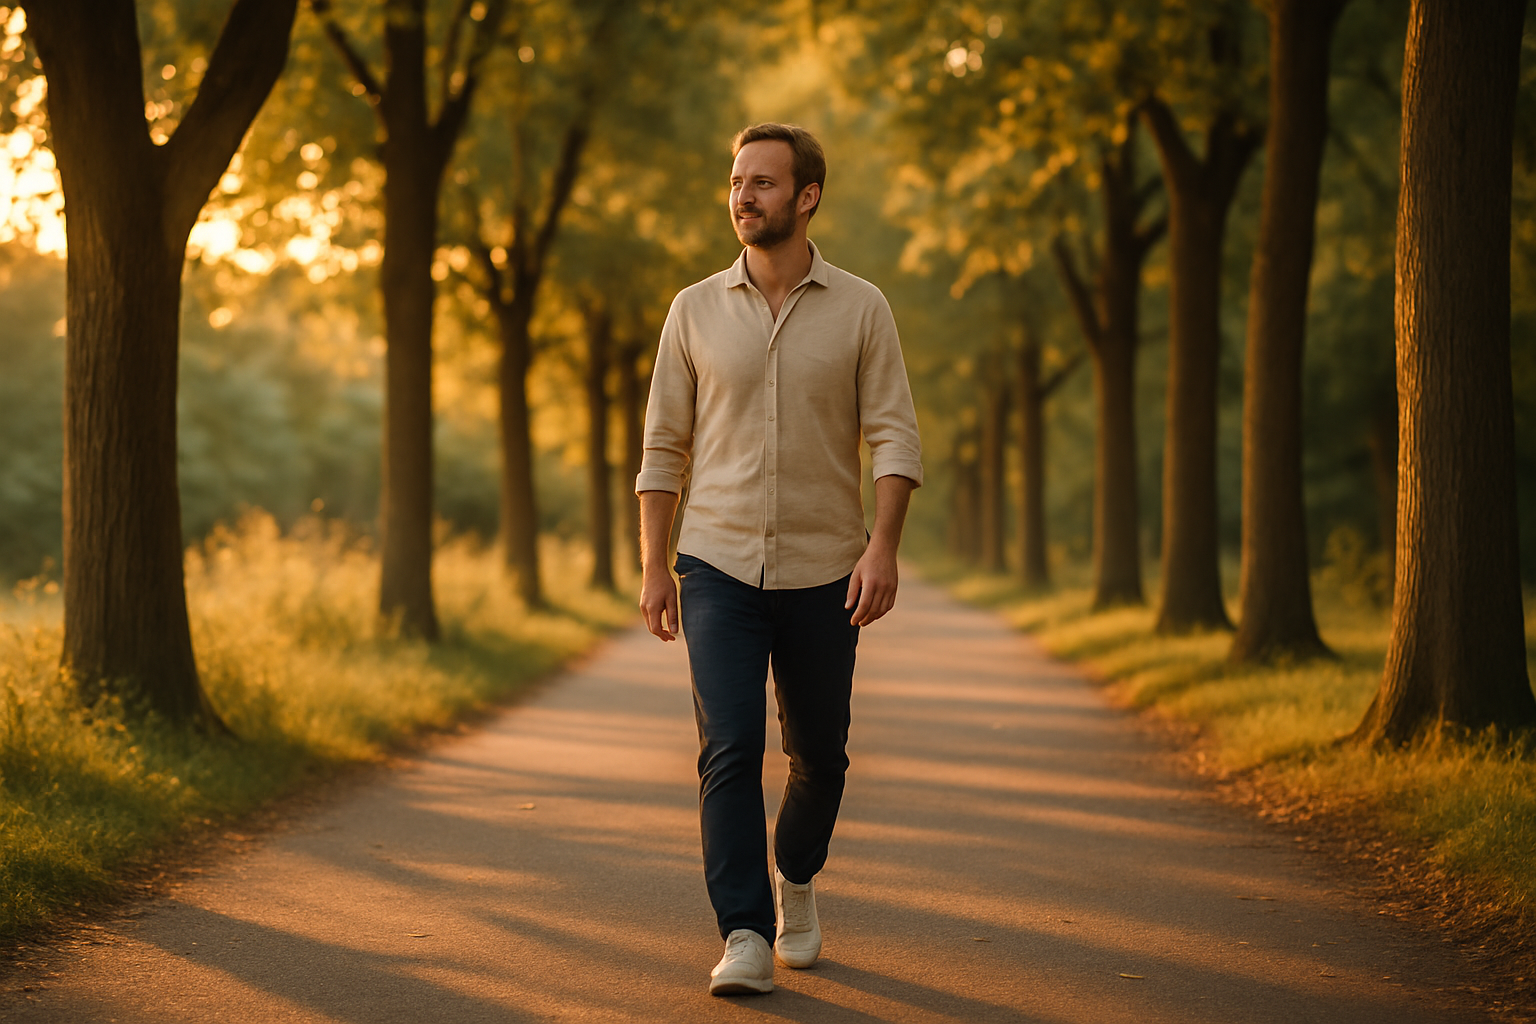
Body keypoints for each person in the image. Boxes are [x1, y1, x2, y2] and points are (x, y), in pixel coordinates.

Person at [636, 122, 923, 997]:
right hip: (715, 561)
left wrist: (883, 546)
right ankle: (745, 931)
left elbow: (893, 433)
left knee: (821, 758)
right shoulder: (692, 310)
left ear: (806, 197)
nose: (742, 197)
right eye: (735, 182)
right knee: (729, 744)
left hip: (825, 569)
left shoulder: (863, 307)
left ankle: (795, 875)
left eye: (762, 182)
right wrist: (656, 567)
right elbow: (662, 449)